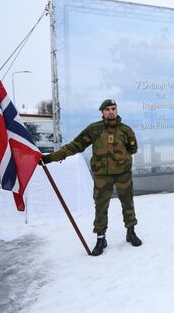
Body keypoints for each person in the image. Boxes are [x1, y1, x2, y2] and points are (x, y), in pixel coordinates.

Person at [42, 99, 142, 256]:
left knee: (128, 203)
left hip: (123, 174)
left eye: (113, 109)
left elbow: (133, 148)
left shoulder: (126, 130)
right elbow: (75, 145)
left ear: (116, 110)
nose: (111, 112)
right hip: (102, 176)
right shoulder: (94, 129)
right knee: (101, 206)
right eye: (107, 109)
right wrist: (51, 158)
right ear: (102, 112)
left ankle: (131, 232)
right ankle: (101, 238)